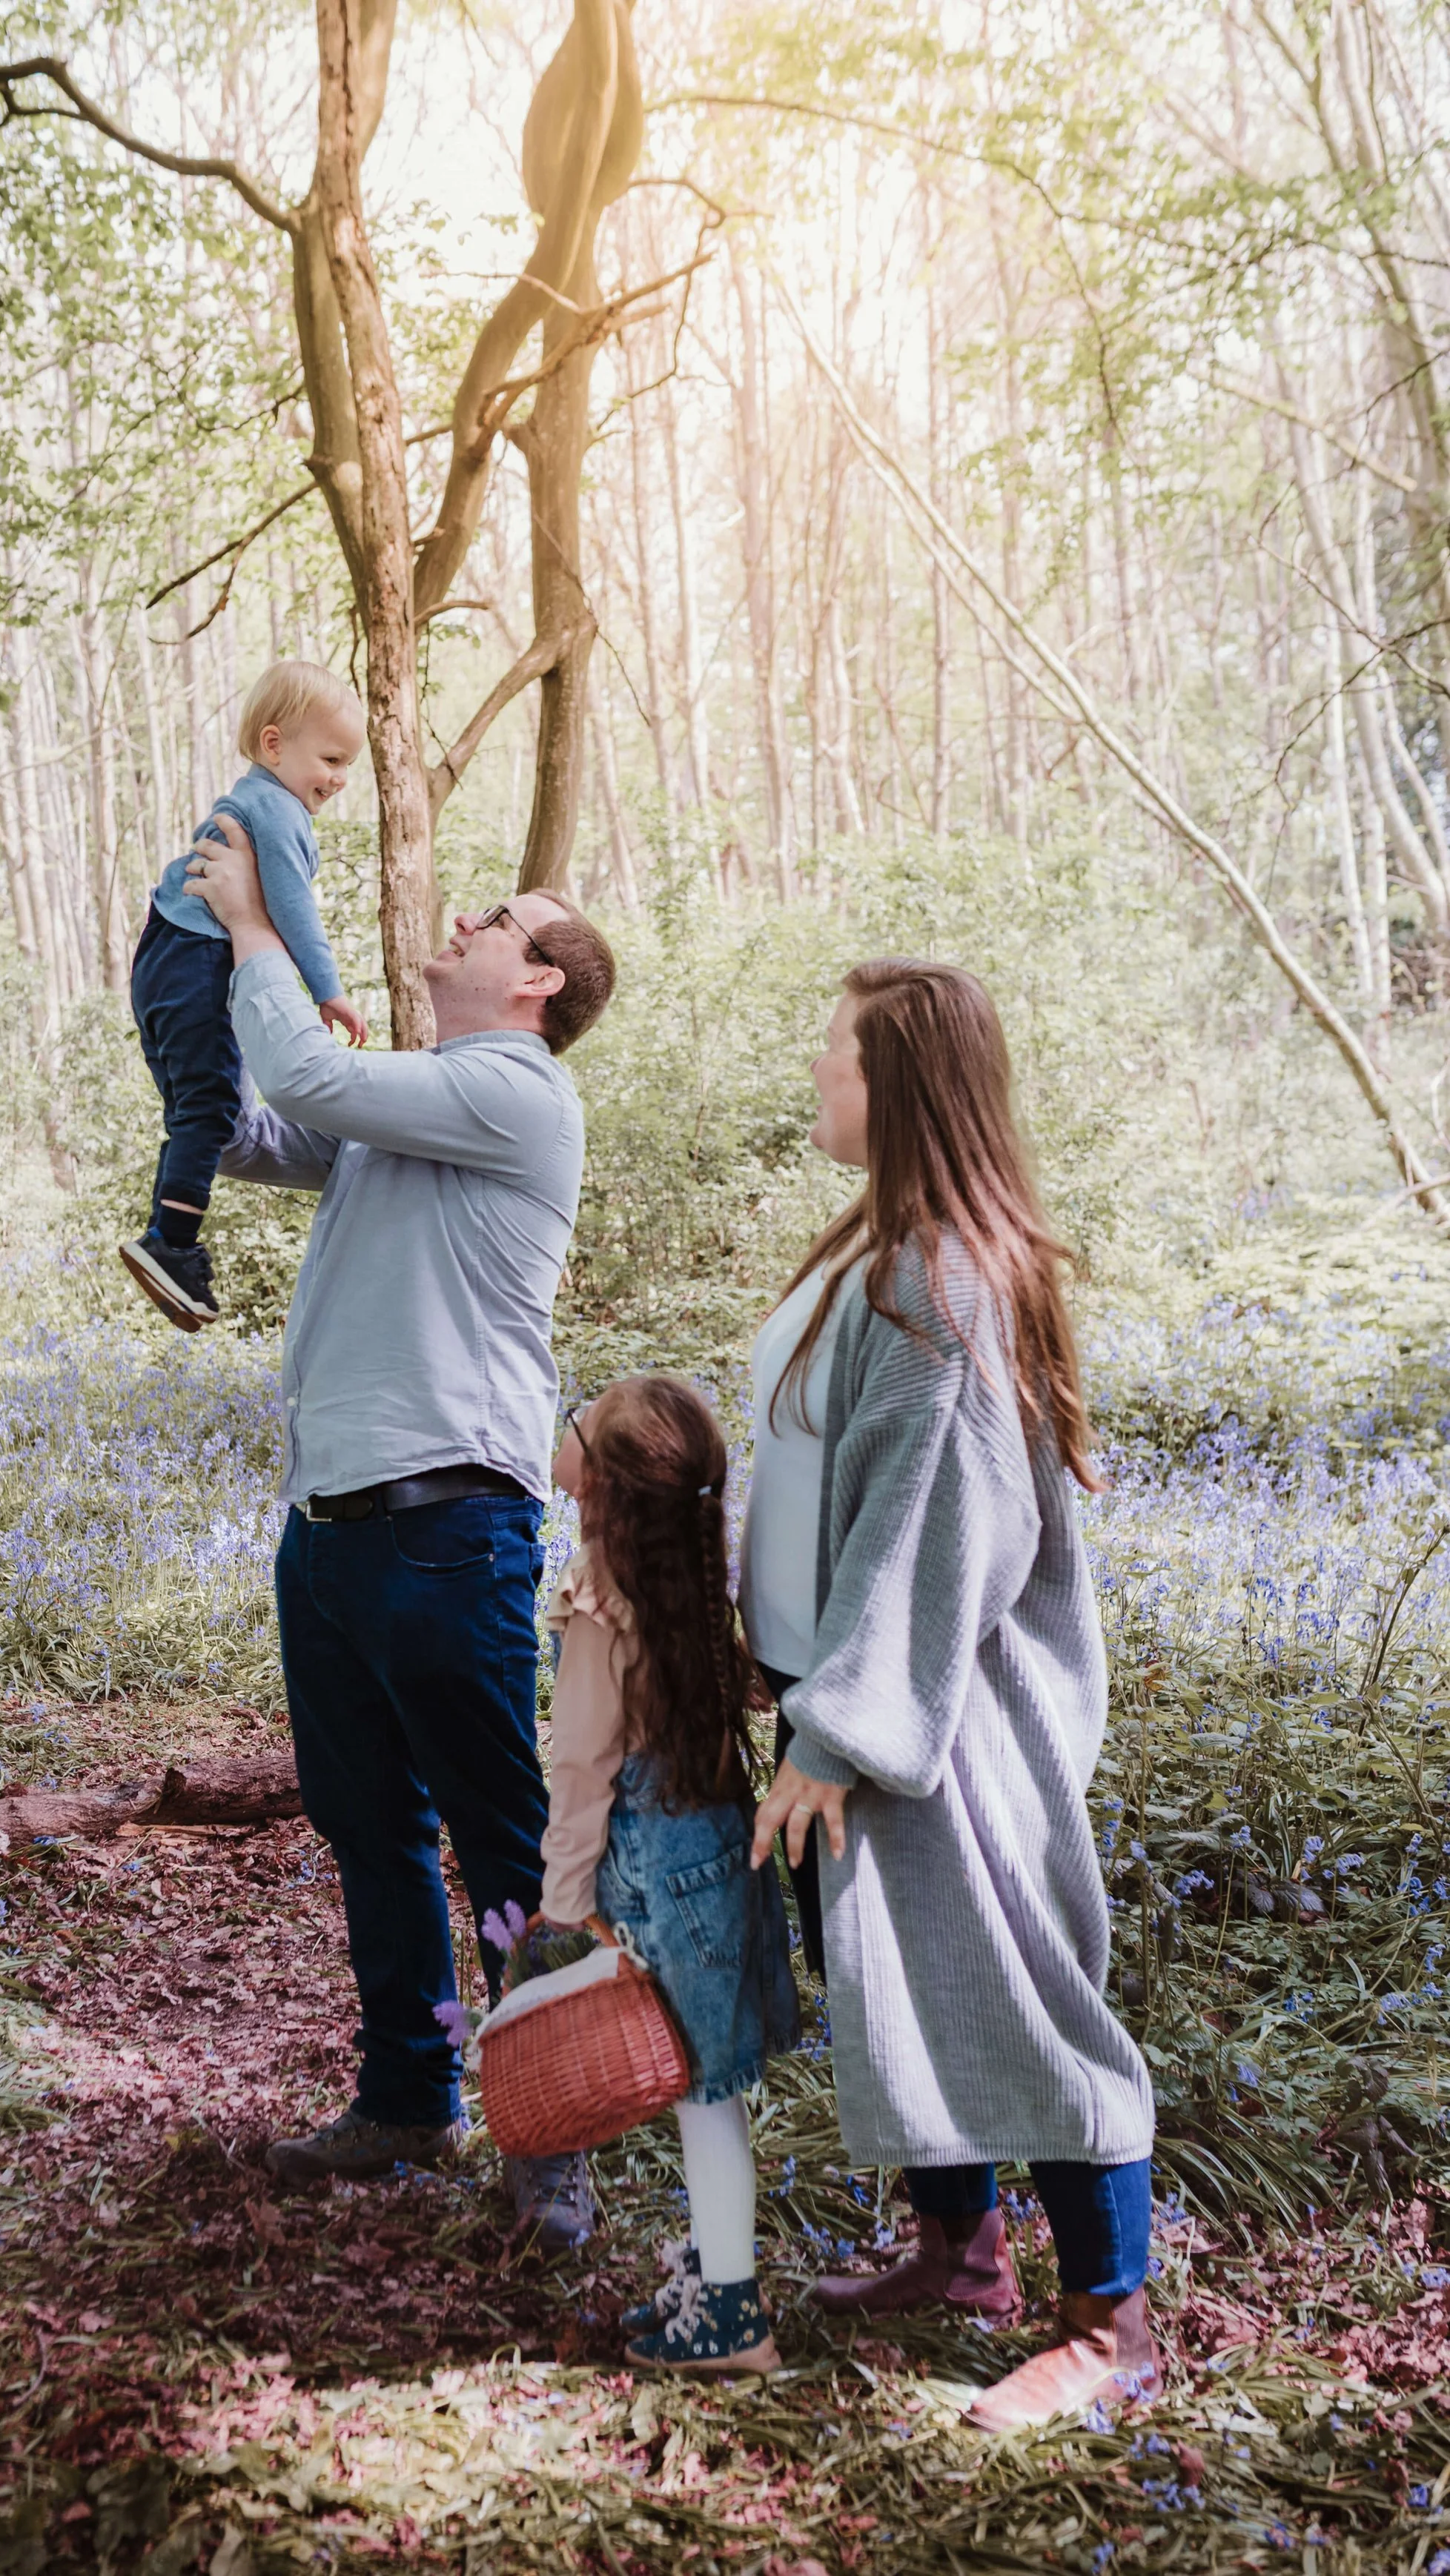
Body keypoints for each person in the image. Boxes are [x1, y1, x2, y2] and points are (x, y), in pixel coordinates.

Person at [185, 818, 618, 2250]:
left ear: (539, 982)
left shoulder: (515, 1093)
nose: (469, 920)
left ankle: (547, 2138)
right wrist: (183, 1011)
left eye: (500, 916)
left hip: (449, 1525)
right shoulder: (424, 1093)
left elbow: (307, 1073)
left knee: (501, 1839)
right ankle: (407, 2101)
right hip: (330, 1523)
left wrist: (257, 925)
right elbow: (261, 1127)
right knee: (368, 1826)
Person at [745, 957, 1160, 2434]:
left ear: (900, 1085)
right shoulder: (891, 1248)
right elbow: (822, 1468)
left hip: (945, 1719)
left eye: (836, 1057)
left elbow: (939, 1518)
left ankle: (1107, 2324)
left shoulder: (943, 1274)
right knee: (905, 1978)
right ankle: (958, 2252)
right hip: (859, 1695)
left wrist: (840, 1728)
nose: (816, 1078)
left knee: (1023, 1999)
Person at [535, 1375, 801, 2374]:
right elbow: (752, 1683)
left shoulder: (605, 1592)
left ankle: (734, 2314)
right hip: (717, 1850)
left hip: (654, 1871)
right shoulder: (684, 1570)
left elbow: (581, 1762)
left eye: (583, 1420)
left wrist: (567, 1905)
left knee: (704, 2101)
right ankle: (712, 2274)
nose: (566, 1425)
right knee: (709, 2092)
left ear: (601, 1483)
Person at [120, 660, 370, 1332]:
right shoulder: (279, 812)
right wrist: (329, 991)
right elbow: (292, 907)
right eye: (331, 757)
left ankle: (168, 1235)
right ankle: (170, 1243)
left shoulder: (246, 799)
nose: (340, 778)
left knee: (196, 1110)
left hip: (161, 956)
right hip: (199, 959)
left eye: (349, 764)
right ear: (273, 744)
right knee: (211, 1107)